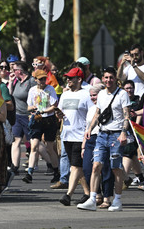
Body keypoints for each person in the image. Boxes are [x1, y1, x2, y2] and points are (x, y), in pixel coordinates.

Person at [78, 67, 131, 212]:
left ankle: (117, 200)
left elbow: (127, 115)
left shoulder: (122, 94)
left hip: (116, 135)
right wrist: (89, 129)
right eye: (106, 77)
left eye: (111, 77)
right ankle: (92, 199)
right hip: (101, 134)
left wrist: (123, 132)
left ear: (115, 79)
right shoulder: (101, 94)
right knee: (96, 166)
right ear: (103, 78)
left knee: (115, 168)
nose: (108, 80)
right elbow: (98, 113)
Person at [56, 68, 92, 206]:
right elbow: (61, 111)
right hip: (67, 135)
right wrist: (58, 115)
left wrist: (88, 131)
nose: (68, 80)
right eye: (67, 78)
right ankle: (88, 193)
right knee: (77, 167)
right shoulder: (65, 94)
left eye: (71, 78)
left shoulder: (86, 95)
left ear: (79, 79)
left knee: (75, 167)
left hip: (80, 136)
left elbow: (93, 113)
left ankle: (68, 195)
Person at [23, 69, 59, 184]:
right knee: (34, 146)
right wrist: (33, 109)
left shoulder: (50, 89)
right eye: (40, 79)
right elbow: (28, 107)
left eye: (44, 78)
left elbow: (54, 106)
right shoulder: (32, 90)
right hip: (37, 119)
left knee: (49, 147)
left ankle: (56, 171)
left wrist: (43, 111)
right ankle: (29, 172)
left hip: (48, 119)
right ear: (35, 80)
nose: (43, 81)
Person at [82, 84, 114, 208]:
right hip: (90, 139)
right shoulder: (91, 109)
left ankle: (107, 197)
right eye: (91, 96)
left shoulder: (106, 106)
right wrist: (83, 145)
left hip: (103, 137)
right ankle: (97, 194)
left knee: (105, 168)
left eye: (94, 95)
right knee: (87, 169)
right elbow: (87, 127)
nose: (92, 98)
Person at [9, 61, 37, 175]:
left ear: (20, 71)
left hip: (28, 115)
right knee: (16, 140)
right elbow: (10, 95)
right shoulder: (16, 81)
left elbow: (36, 97)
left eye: (14, 70)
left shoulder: (31, 81)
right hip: (17, 115)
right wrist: (10, 82)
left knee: (35, 143)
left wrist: (33, 113)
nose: (12, 72)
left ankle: (51, 164)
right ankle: (15, 166)